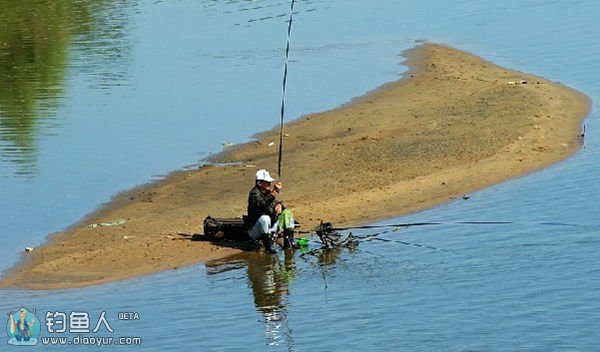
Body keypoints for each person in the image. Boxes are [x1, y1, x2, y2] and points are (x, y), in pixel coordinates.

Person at [247, 169, 298, 252]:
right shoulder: (254, 194)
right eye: (267, 182)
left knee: (287, 213)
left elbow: (274, 203)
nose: (269, 184)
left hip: (270, 227)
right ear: (259, 183)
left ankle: (289, 242)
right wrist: (274, 192)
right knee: (265, 218)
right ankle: (268, 247)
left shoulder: (267, 192)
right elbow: (262, 204)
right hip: (255, 230)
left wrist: (279, 204)